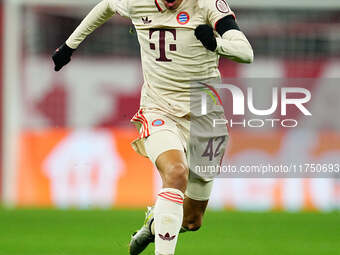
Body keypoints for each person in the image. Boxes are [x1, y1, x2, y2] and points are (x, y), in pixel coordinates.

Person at [52, 0, 253, 254]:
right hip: (159, 109)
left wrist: (217, 44)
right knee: (176, 173)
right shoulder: (138, 2)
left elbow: (246, 52)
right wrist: (69, 46)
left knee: (192, 220)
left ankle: (153, 225)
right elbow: (106, 6)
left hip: (205, 118)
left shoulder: (207, 4)